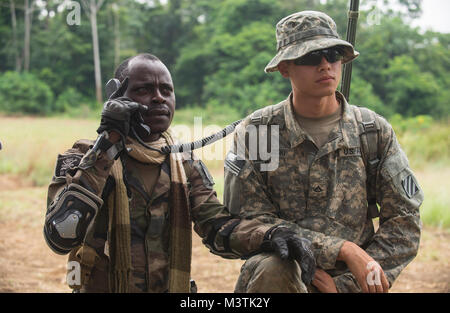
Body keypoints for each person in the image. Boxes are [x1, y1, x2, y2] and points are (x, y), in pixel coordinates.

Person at [43, 53, 316, 293]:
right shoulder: (85, 157)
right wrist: (109, 142)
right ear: (117, 96)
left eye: (166, 90)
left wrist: (270, 235)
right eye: (144, 89)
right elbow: (60, 236)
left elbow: (217, 229)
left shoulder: (184, 164)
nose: (159, 97)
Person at [223, 11, 423, 293]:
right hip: (280, 274)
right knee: (275, 266)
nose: (325, 65)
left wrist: (345, 285)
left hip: (353, 282)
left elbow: (404, 223)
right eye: (310, 57)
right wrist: (342, 249)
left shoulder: (372, 131)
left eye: (333, 54)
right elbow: (250, 221)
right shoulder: (258, 133)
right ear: (284, 67)